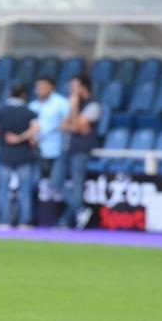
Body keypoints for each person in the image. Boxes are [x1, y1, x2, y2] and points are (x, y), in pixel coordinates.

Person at [0, 84, 40, 229]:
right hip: (24, 155)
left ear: (9, 93)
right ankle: (25, 221)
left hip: (5, 155)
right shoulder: (29, 111)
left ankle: (4, 221)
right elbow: (35, 130)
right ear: (24, 96)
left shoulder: (0, 110)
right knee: (25, 190)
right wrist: (21, 138)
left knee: (3, 189)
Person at [53, 75, 101, 229]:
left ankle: (66, 220)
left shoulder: (93, 106)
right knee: (55, 182)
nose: (71, 90)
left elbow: (79, 126)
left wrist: (73, 111)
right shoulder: (73, 104)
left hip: (81, 150)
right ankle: (80, 209)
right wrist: (73, 122)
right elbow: (64, 125)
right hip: (66, 148)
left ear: (83, 88)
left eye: (74, 86)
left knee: (77, 185)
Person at [28, 76, 70, 206]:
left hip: (58, 149)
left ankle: (77, 210)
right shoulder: (32, 106)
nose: (40, 89)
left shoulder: (62, 103)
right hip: (37, 150)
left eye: (44, 86)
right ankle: (31, 218)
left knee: (57, 183)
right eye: (38, 86)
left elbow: (68, 125)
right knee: (31, 183)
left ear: (52, 87)